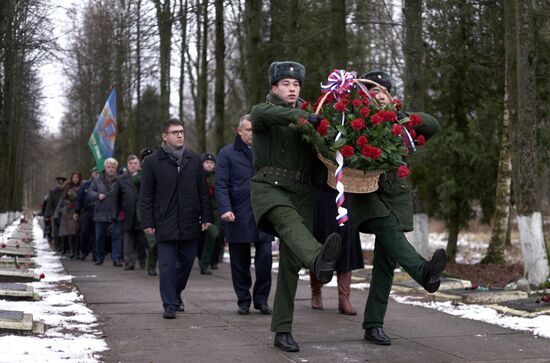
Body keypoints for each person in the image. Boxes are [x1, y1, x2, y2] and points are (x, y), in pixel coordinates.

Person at [250, 61, 343, 353]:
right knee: (289, 222)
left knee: (290, 265)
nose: (292, 88)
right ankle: (318, 259)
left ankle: (282, 329)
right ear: (274, 87)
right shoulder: (264, 112)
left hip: (302, 193)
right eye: (286, 84)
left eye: (297, 84)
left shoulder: (310, 118)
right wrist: (306, 117)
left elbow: (317, 163)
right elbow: (266, 114)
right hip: (271, 189)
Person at [348, 70, 446, 345]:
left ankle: (373, 324)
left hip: (395, 195)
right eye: (370, 92)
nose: (375, 96)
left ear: (389, 95)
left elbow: (433, 126)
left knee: (385, 263)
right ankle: (423, 271)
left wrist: (401, 117)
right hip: (366, 193)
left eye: (380, 91)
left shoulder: (398, 122)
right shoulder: (354, 121)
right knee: (390, 232)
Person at [140, 119, 213, 319]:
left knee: (188, 262)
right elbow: (146, 195)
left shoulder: (194, 159)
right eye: (174, 132)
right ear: (165, 136)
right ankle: (169, 304)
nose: (180, 135)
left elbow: (203, 192)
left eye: (181, 131)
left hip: (190, 221)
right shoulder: (153, 162)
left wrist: (206, 216)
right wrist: (147, 221)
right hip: (165, 221)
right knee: (166, 265)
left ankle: (175, 293)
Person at [216, 114, 274, 316]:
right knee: (239, 262)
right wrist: (225, 208)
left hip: (263, 212)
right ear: (239, 131)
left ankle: (261, 300)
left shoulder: (266, 151)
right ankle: (243, 300)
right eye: (248, 130)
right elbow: (221, 184)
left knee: (265, 259)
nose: (252, 134)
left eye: (254, 130)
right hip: (237, 213)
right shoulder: (226, 154)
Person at [310, 191, 364, 315]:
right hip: (323, 193)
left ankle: (344, 299)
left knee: (347, 242)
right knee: (321, 241)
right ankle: (316, 291)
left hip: (346, 194)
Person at [88, 158, 123, 266]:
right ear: (105, 168)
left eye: (113, 167)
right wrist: (97, 195)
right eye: (109, 166)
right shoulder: (97, 180)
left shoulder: (121, 180)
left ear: (115, 168)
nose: (111, 169)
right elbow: (89, 193)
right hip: (100, 213)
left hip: (115, 213)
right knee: (99, 237)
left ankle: (116, 259)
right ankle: (100, 257)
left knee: (116, 236)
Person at [116, 155, 147, 270]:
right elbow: (116, 198)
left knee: (141, 241)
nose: (133, 165)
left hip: (141, 214)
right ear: (127, 165)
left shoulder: (145, 176)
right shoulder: (121, 179)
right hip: (127, 214)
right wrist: (117, 213)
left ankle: (142, 259)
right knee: (128, 241)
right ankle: (129, 262)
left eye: (135, 163)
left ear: (139, 165)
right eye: (131, 163)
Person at [197, 153, 219, 275]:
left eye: (211, 163)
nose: (209, 164)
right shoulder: (198, 176)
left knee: (213, 235)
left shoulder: (218, 177)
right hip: (200, 211)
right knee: (199, 239)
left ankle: (205, 263)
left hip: (215, 212)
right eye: (207, 162)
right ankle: (202, 260)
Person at [139, 147, 159, 276]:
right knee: (151, 242)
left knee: (155, 243)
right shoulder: (139, 175)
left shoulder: (158, 173)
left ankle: (151, 265)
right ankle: (147, 264)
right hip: (143, 212)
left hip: (158, 212)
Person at [75, 167, 100, 261]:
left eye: (98, 173)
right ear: (91, 173)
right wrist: (77, 211)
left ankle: (95, 253)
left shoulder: (101, 185)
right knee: (84, 232)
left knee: (96, 233)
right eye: (95, 173)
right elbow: (79, 198)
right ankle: (83, 251)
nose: (96, 174)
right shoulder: (85, 185)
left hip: (97, 211)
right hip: (86, 211)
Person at [55, 172, 82, 257]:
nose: (75, 179)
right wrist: (69, 203)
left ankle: (77, 251)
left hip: (79, 211)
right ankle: (72, 251)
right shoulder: (68, 187)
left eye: (77, 178)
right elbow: (63, 198)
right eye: (74, 178)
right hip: (70, 211)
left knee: (77, 232)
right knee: (71, 232)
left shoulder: (82, 186)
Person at [45, 176, 67, 251]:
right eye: (59, 183)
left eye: (62, 183)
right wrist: (49, 215)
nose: (60, 184)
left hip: (65, 213)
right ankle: (57, 246)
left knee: (64, 231)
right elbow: (49, 204)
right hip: (55, 214)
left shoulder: (66, 191)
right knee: (56, 231)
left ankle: (64, 247)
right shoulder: (53, 191)